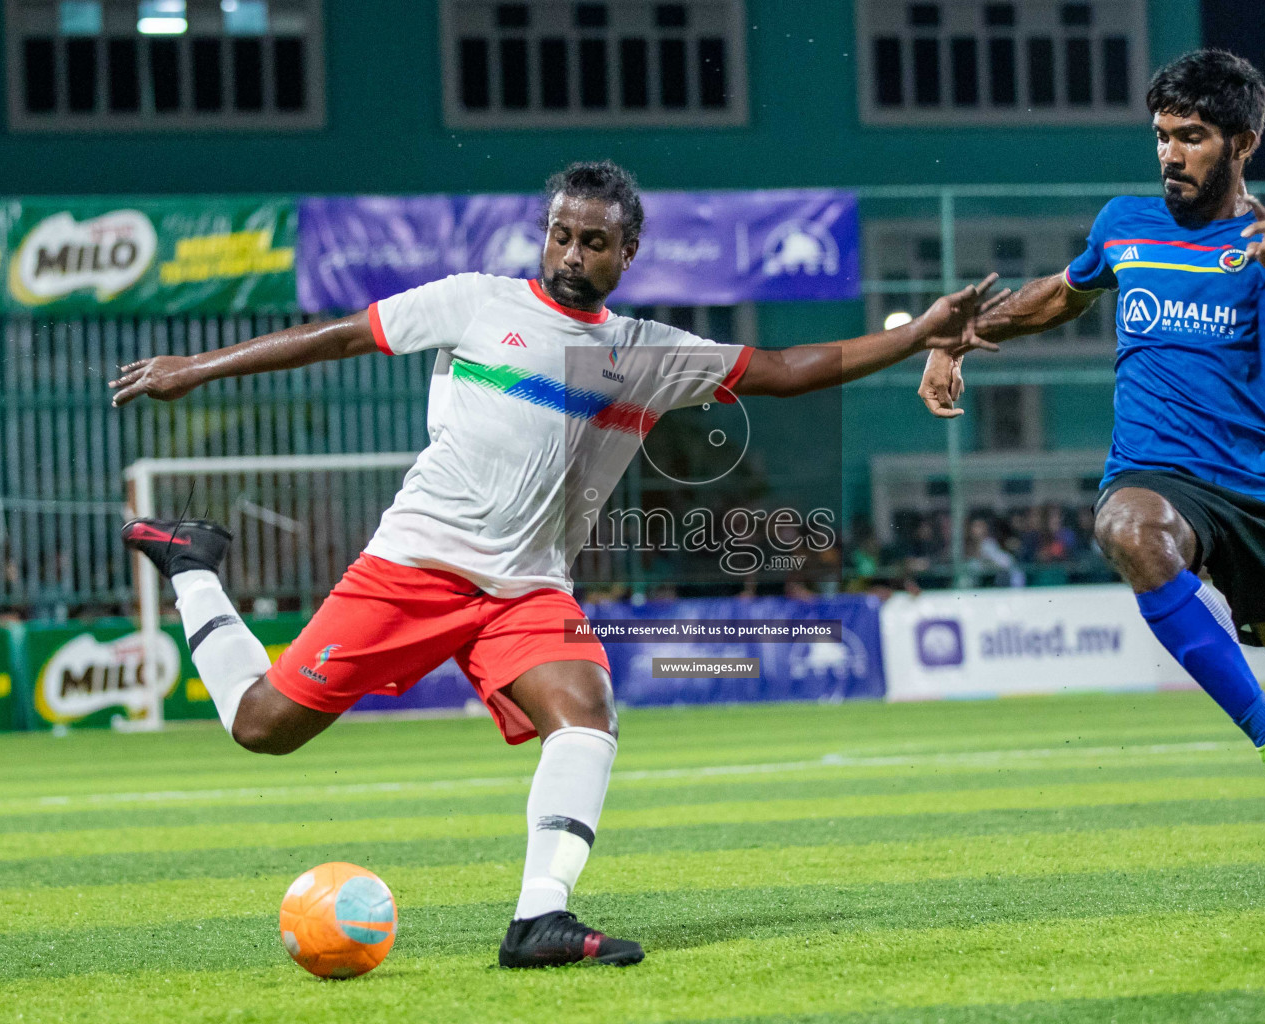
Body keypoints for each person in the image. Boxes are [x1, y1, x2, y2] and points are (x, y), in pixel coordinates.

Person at [110, 160, 1003, 968]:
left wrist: (920, 331)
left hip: (529, 589)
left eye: (595, 242)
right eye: (561, 234)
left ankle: (540, 919)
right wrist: (198, 365)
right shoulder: (477, 302)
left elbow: (788, 366)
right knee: (263, 724)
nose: (572, 254)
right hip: (417, 565)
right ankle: (194, 566)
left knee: (586, 715)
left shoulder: (647, 354)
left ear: (629, 252)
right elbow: (343, 335)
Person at [916, 51, 1265, 901]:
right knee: (1126, 529)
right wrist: (957, 334)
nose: (1170, 154)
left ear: (1242, 142)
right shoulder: (1125, 224)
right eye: (1161, 136)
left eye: (1192, 137)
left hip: (1264, 491)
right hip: (1159, 470)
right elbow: (1058, 295)